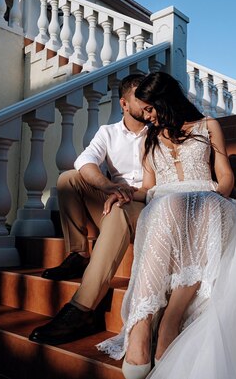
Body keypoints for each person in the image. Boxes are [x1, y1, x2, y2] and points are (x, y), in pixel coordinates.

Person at [96, 72, 236, 379]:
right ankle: (142, 323)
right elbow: (148, 188)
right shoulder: (149, 138)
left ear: (166, 101)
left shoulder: (208, 126)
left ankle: (170, 319)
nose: (146, 116)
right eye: (143, 110)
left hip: (209, 199)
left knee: (186, 206)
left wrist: (211, 196)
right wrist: (121, 193)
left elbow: (225, 177)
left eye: (150, 109)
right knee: (162, 207)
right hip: (164, 205)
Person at [29, 73, 148, 344]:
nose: (146, 104)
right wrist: (108, 186)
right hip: (112, 200)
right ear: (124, 104)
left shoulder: (157, 132)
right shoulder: (108, 132)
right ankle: (79, 253)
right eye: (140, 98)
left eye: (149, 98)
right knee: (68, 179)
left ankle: (82, 310)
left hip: (144, 206)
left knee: (119, 209)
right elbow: (85, 160)